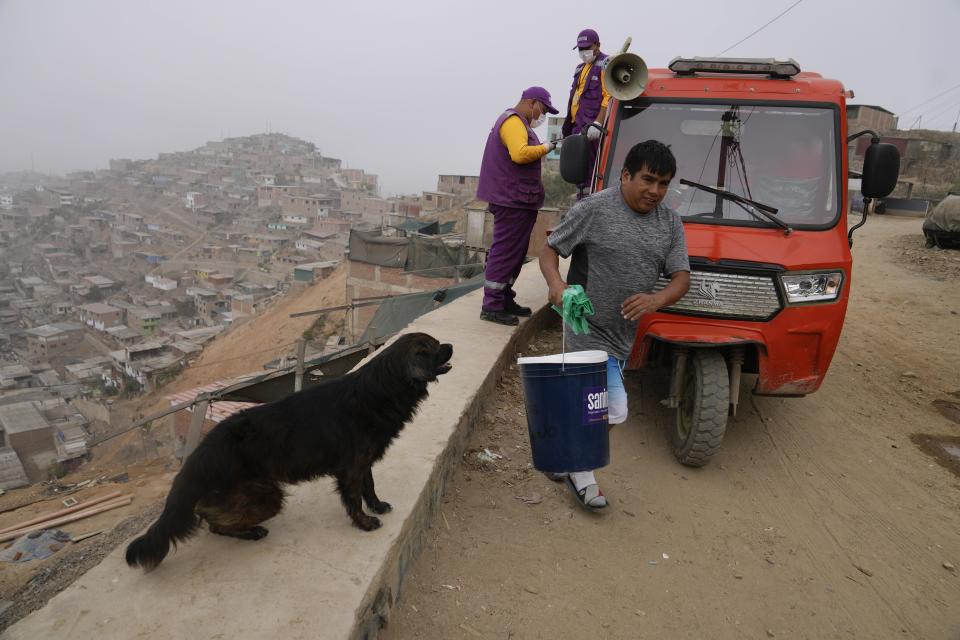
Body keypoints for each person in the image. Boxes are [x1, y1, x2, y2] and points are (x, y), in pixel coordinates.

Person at [538, 140, 691, 510]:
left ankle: (562, 453)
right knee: (612, 409)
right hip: (584, 325)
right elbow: (549, 250)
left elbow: (681, 278)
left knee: (592, 404)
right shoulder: (594, 209)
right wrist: (557, 286)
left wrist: (655, 300)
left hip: (622, 336)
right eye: (647, 180)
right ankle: (581, 470)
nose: (655, 191)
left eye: (663, 183)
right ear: (625, 175)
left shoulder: (669, 223)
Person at [477, 86, 560, 326]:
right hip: (510, 200)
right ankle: (491, 305)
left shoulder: (520, 123)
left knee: (515, 252)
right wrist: (547, 147)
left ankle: (504, 297)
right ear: (532, 103)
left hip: (520, 200)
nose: (541, 115)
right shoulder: (513, 121)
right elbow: (519, 154)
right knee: (504, 252)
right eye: (542, 110)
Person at [562, 28, 612, 172]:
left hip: (594, 129)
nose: (583, 52)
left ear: (597, 45)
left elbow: (609, 96)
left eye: (587, 48)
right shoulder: (579, 68)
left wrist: (598, 123)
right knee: (578, 171)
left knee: (591, 172)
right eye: (580, 49)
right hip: (578, 128)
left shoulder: (606, 63)